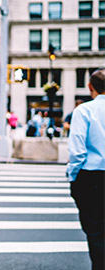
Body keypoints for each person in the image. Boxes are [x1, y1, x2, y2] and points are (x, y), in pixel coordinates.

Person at [67, 68, 105, 270]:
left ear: (90, 87)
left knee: (96, 232)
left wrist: (73, 176)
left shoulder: (83, 111)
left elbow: (77, 150)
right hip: (92, 178)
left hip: (92, 178)